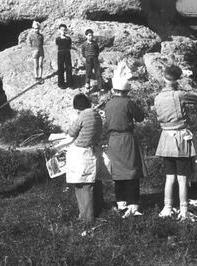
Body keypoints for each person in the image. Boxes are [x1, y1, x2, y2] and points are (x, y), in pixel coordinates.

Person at [154, 65, 197, 221]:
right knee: (182, 177)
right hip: (180, 138)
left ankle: (167, 207)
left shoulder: (158, 97)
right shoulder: (180, 95)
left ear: (164, 78)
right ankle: (183, 209)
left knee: (169, 177)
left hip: (166, 137)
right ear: (177, 79)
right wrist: (184, 86)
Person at [104, 61, 146, 218]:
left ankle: (120, 202)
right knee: (131, 172)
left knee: (118, 172)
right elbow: (140, 117)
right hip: (127, 138)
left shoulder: (108, 104)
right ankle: (133, 204)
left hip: (113, 140)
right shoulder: (128, 102)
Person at [65, 93, 103, 223]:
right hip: (93, 151)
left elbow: (71, 132)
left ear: (77, 107)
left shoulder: (82, 115)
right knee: (90, 183)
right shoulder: (96, 114)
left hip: (81, 153)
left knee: (82, 185)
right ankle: (90, 213)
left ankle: (87, 217)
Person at [55, 24, 73, 89]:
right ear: (59, 30)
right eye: (62, 29)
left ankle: (70, 83)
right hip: (60, 54)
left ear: (66, 30)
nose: (63, 31)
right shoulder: (57, 39)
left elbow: (70, 47)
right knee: (60, 68)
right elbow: (57, 46)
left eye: (64, 30)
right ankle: (61, 84)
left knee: (69, 68)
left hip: (67, 54)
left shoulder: (68, 39)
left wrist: (67, 51)